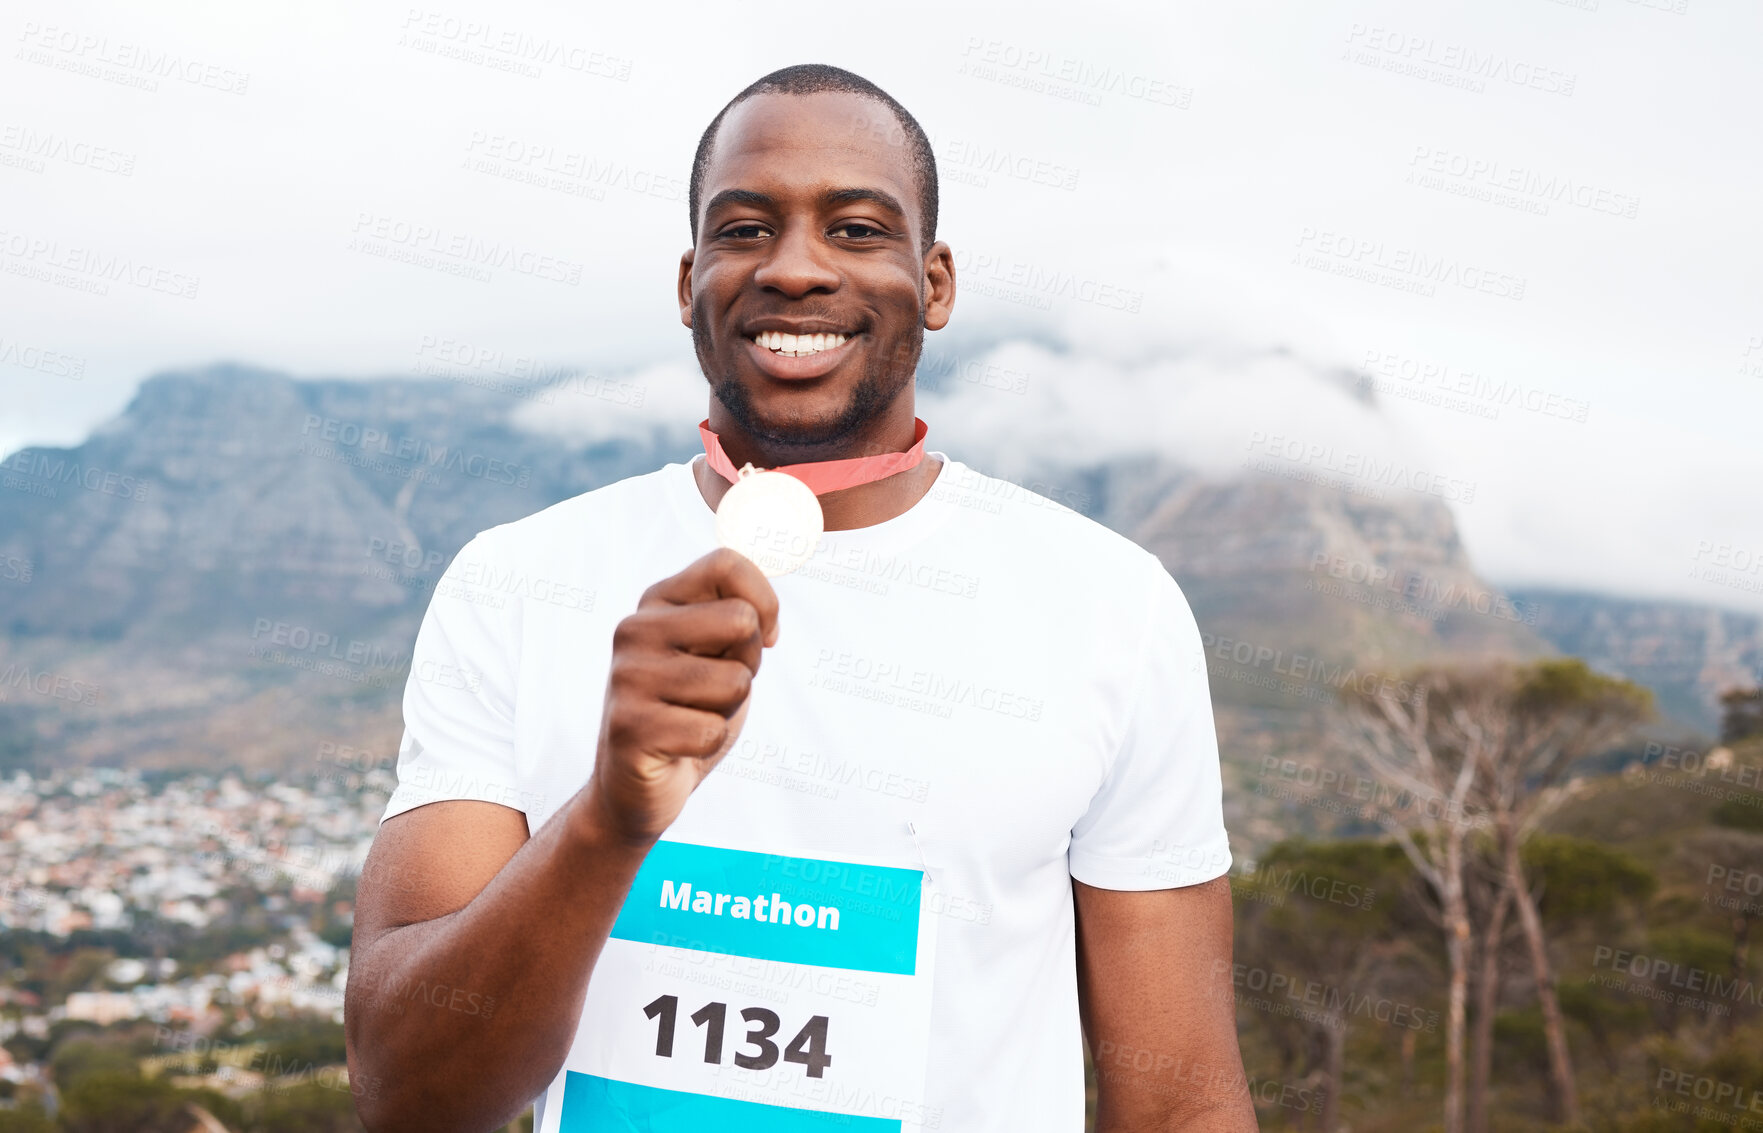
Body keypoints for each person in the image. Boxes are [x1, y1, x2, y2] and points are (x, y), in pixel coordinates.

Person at [344, 64, 1254, 1133]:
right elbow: (407, 1092)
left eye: (859, 229)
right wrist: (605, 821)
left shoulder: (1110, 606)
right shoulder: (513, 582)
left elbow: (1180, 1102)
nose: (794, 269)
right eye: (743, 228)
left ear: (938, 280)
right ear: (689, 281)